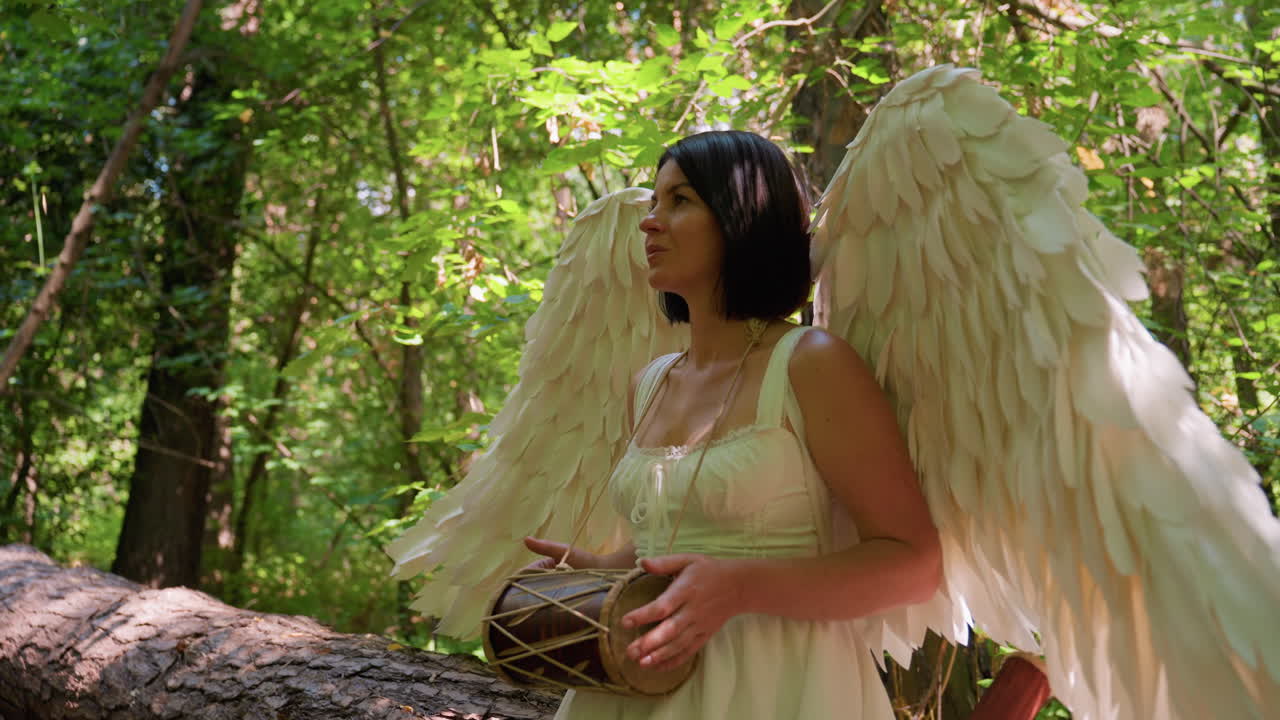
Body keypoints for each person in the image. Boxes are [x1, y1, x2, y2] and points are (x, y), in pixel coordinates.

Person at [522, 130, 943, 719]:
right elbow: (670, 543)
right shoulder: (650, 383)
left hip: (781, 689)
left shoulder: (811, 363)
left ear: (744, 217)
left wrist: (743, 588)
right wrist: (599, 572)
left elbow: (915, 565)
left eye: (680, 201)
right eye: (652, 205)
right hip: (636, 688)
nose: (650, 222)